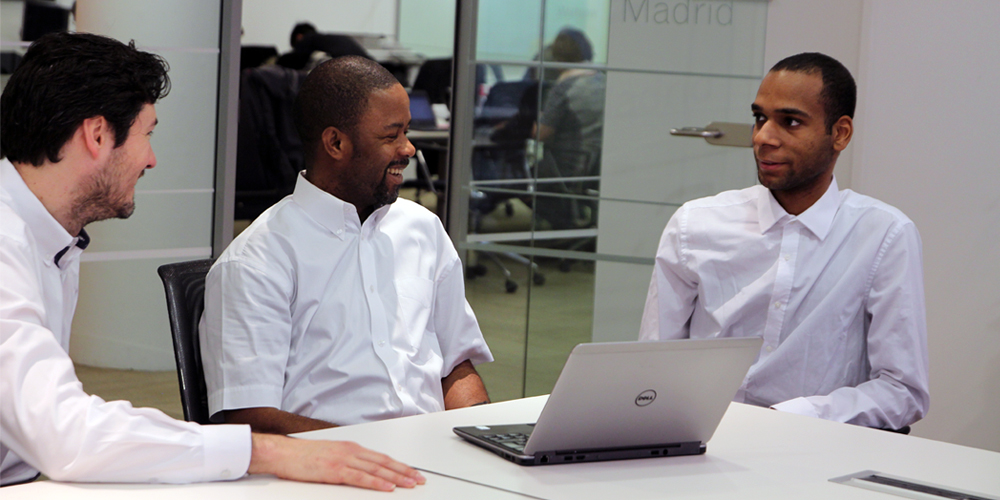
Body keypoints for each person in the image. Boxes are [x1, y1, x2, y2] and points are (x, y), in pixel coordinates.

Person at [0, 32, 424, 491]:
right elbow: (66, 434)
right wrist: (268, 450)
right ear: (98, 135)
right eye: (148, 134)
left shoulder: (48, 238)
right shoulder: (7, 243)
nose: (152, 159)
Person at [200, 56, 493, 435]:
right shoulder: (257, 260)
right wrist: (374, 453)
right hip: (330, 470)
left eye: (406, 132)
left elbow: (456, 366)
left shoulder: (423, 229)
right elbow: (249, 418)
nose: (408, 149)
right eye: (391, 136)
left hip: (433, 461)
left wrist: (482, 435)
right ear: (335, 143)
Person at [638, 52, 929, 431]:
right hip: (701, 444)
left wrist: (790, 419)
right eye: (760, 118)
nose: (762, 137)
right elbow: (652, 364)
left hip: (816, 455)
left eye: (790, 122)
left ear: (840, 133)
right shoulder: (696, 224)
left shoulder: (884, 235)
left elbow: (903, 391)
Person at [276, 22, 370, 71]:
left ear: (299, 37)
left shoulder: (308, 39)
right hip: (371, 68)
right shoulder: (332, 39)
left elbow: (292, 60)